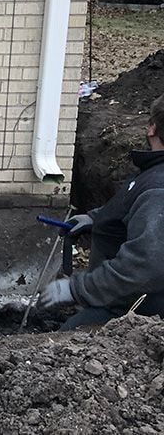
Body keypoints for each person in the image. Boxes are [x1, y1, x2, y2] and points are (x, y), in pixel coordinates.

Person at [39, 94, 164, 330]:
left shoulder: (158, 187)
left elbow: (145, 266)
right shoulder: (152, 172)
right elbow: (130, 205)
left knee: (69, 337)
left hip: (137, 315)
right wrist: (96, 218)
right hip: (121, 301)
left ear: (152, 129)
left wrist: (77, 289)